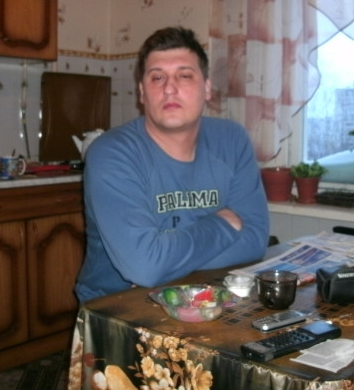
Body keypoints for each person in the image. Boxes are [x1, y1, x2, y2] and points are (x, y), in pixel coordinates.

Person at [75, 26, 270, 302]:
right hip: (119, 306)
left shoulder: (232, 140)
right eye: (157, 78)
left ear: (207, 88)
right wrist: (223, 224)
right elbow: (145, 267)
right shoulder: (111, 153)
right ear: (142, 93)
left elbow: (255, 242)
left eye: (184, 75)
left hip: (207, 298)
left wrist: (163, 262)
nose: (169, 88)